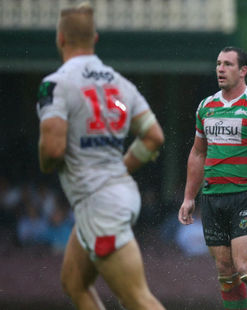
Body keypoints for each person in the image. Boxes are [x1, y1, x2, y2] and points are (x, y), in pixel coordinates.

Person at [36, 2, 165, 310]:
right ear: (94, 39)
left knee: (136, 298)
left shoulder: (53, 85)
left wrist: (44, 160)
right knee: (74, 283)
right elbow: (154, 137)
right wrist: (121, 167)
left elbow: (52, 151)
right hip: (114, 193)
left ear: (60, 38)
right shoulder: (120, 83)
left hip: (100, 204)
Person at [178, 46, 247, 310]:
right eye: (218, 64)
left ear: (243, 70)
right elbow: (198, 153)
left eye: (227, 64)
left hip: (246, 195)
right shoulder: (206, 106)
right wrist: (189, 197)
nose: (220, 69)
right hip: (212, 197)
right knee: (226, 273)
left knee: (246, 269)